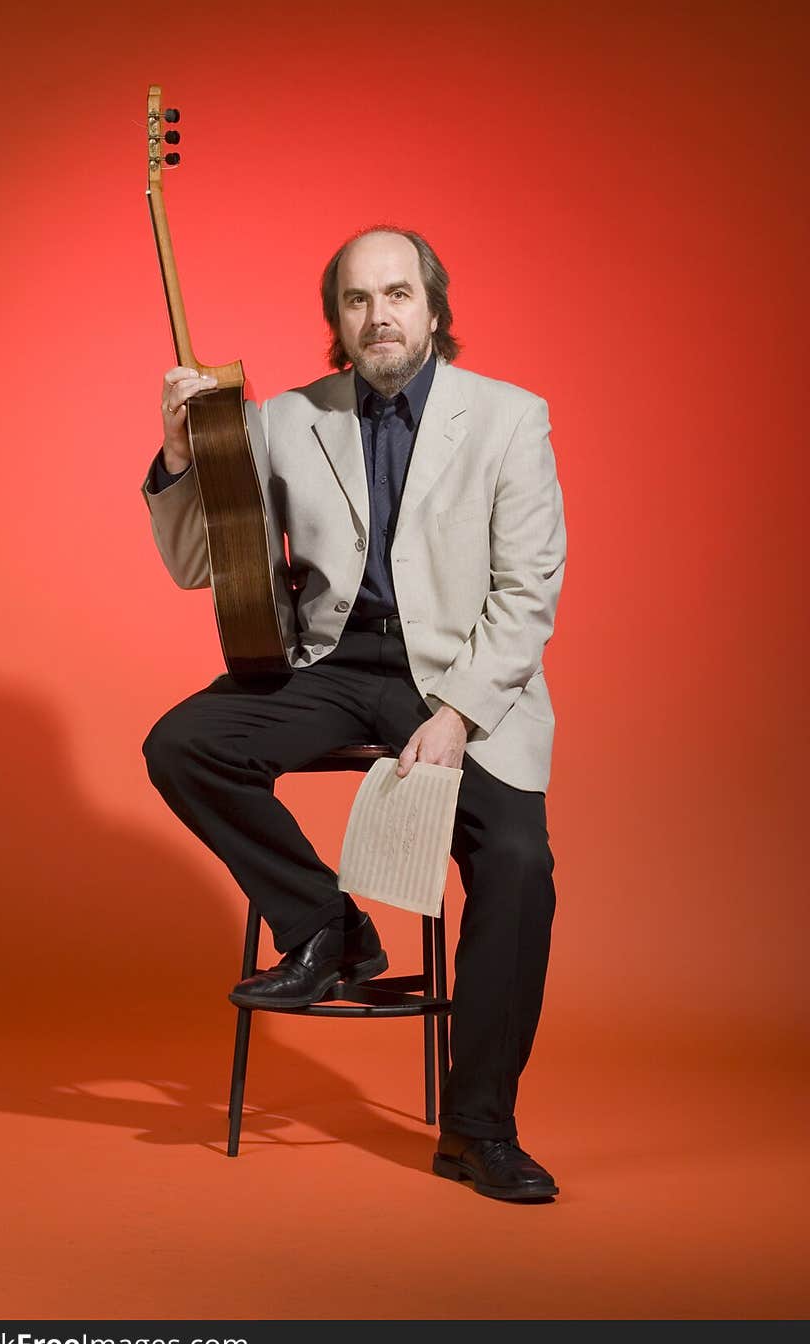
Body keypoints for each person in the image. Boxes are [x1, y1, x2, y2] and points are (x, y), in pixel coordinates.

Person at [140, 226, 567, 1202]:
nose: (379, 315)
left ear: (432, 306)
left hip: (460, 672)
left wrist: (458, 712)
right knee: (185, 744)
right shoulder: (287, 417)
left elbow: (527, 589)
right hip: (330, 660)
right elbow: (202, 562)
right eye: (357, 299)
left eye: (397, 293)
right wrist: (176, 458)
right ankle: (331, 928)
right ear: (335, 319)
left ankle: (477, 1129)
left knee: (516, 864)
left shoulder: (509, 418)